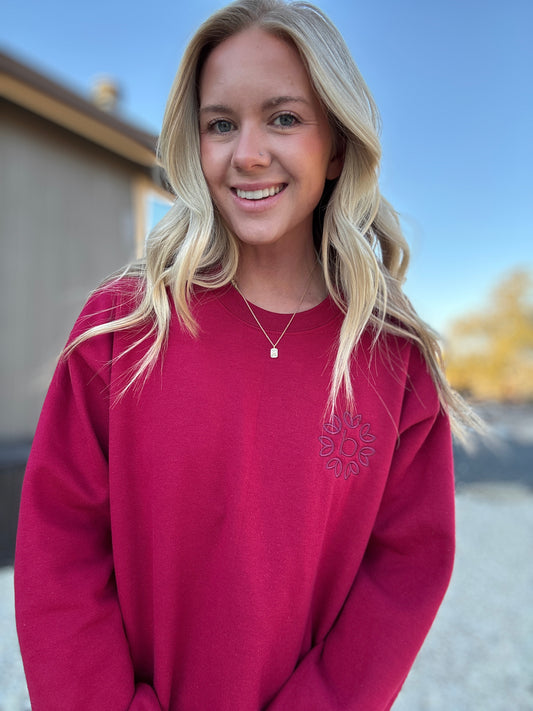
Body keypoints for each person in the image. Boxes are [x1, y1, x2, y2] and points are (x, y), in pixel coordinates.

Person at [15, 1, 478, 709]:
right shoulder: (122, 328)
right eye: (221, 124)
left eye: (284, 118)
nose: (248, 152)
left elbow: (403, 572)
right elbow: (61, 555)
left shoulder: (393, 363)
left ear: (337, 147)